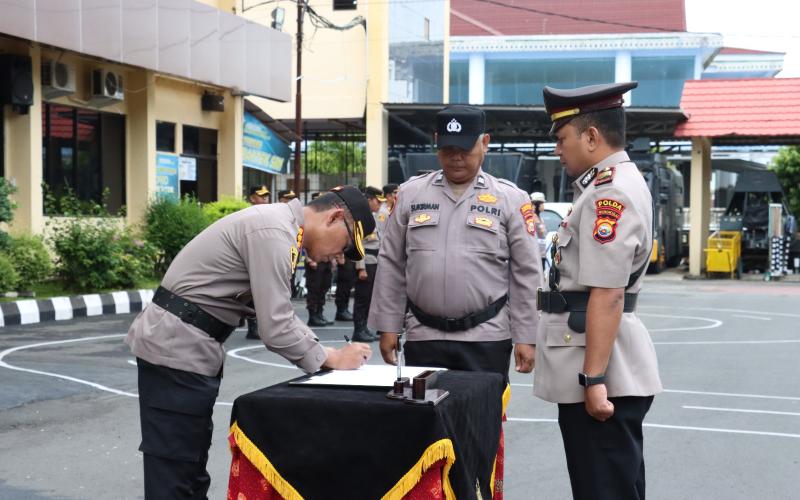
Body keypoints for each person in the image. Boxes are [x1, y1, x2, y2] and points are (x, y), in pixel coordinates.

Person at [126, 185, 374, 499]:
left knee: (188, 471)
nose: (340, 255)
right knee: (175, 475)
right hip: (176, 347)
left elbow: (278, 312)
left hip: (186, 345)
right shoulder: (274, 233)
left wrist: (327, 353)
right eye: (346, 244)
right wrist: (332, 358)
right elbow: (277, 326)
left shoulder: (281, 227)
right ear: (334, 217)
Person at [535, 81, 662, 500]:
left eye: (562, 138)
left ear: (591, 136)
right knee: (614, 486)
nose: (557, 149)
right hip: (602, 364)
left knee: (603, 489)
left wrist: (593, 379)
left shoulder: (610, 192)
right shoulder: (609, 183)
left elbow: (608, 293)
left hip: (599, 368)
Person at [369, 104, 542, 384]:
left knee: (482, 412)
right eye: (448, 149)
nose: (456, 157)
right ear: (437, 143)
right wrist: (388, 325)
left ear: (484, 143)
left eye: (465, 149)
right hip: (423, 335)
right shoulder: (411, 194)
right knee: (425, 411)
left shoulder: (510, 198)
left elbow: (527, 271)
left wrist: (527, 335)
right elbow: (392, 262)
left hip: (486, 336)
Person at [351, 186, 385, 342]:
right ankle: (358, 330)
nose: (380, 204)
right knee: (362, 298)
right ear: (369, 200)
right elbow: (358, 245)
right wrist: (361, 268)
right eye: (378, 201)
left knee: (369, 298)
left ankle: (364, 327)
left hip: (374, 261)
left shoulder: (373, 217)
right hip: (366, 262)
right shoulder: (361, 218)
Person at [244, 185, 272, 338]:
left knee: (264, 294)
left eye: (266, 196)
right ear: (252, 198)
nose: (265, 199)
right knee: (252, 294)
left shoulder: (269, 215)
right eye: (261, 196)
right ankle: (252, 327)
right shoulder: (248, 215)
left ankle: (260, 326)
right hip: (252, 257)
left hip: (265, 257)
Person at [305, 192, 335, 327]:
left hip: (326, 258)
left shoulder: (328, 217)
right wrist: (308, 259)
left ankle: (320, 313)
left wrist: (332, 258)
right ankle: (312, 316)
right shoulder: (308, 218)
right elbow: (303, 241)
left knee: (324, 287)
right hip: (314, 259)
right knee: (314, 289)